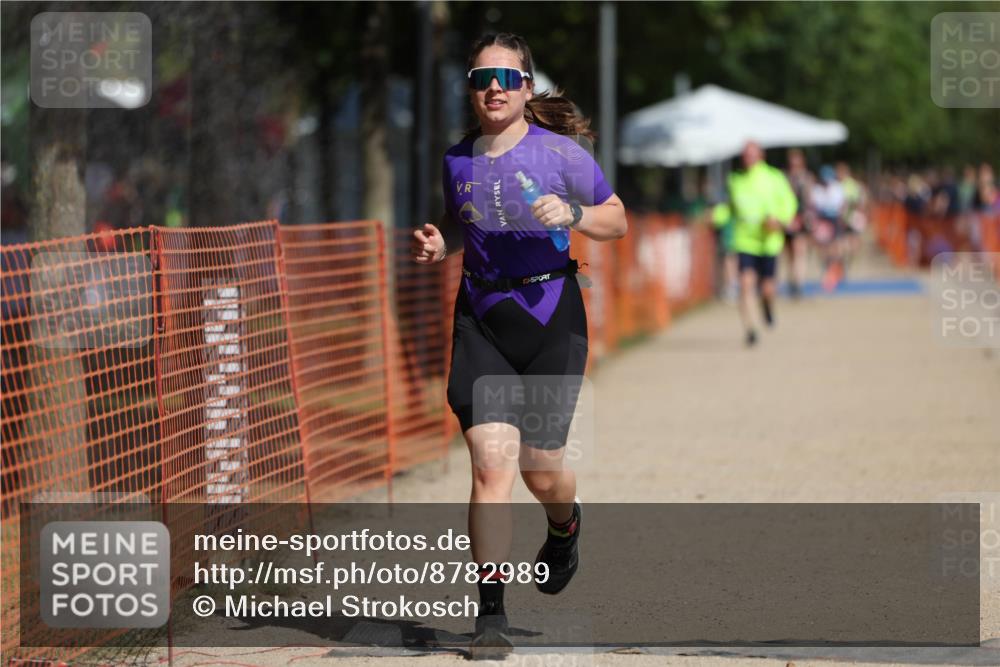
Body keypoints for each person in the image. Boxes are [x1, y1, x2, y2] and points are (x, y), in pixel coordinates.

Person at [411, 32, 627, 658]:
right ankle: (491, 617)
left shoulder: (562, 154)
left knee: (541, 469)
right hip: (481, 317)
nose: (494, 89)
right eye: (481, 79)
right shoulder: (457, 160)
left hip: (551, 317)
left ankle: (565, 524)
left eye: (505, 78)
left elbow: (617, 217)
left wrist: (576, 217)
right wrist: (440, 246)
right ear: (472, 91)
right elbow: (463, 227)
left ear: (527, 88)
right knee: (489, 467)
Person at [725, 141, 797, 347]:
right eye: (745, 155)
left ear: (760, 155)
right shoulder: (735, 180)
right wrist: (716, 216)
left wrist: (780, 220)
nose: (748, 158)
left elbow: (789, 203)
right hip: (745, 241)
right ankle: (750, 329)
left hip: (769, 241)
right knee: (745, 284)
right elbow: (729, 210)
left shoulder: (774, 177)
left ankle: (767, 306)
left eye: (752, 154)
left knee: (767, 289)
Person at [784, 149, 814, 298]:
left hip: (801, 219)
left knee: (799, 251)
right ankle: (792, 280)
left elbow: (809, 200)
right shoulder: (785, 177)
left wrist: (806, 218)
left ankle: (798, 283)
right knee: (790, 253)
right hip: (787, 218)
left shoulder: (806, 178)